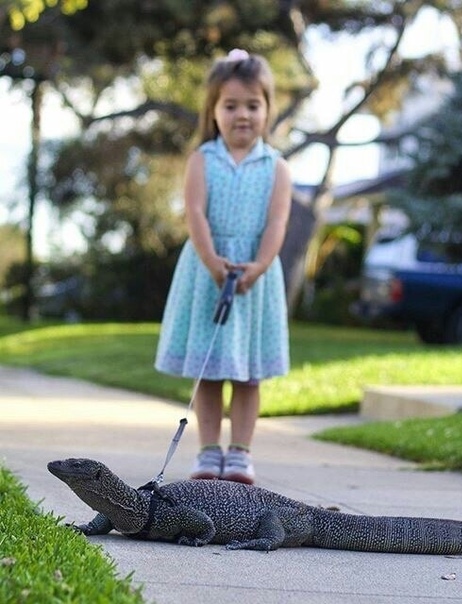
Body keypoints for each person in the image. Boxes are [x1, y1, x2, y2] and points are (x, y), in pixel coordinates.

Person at [154, 49, 292, 485]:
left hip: (254, 278)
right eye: (230, 105)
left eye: (253, 105)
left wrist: (259, 265)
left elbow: (276, 222)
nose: (242, 115)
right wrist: (214, 262)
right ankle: (209, 451)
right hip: (207, 271)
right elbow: (195, 213)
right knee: (210, 371)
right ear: (213, 111)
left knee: (248, 374)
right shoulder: (203, 160)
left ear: (268, 110)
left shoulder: (277, 167)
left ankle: (241, 455)